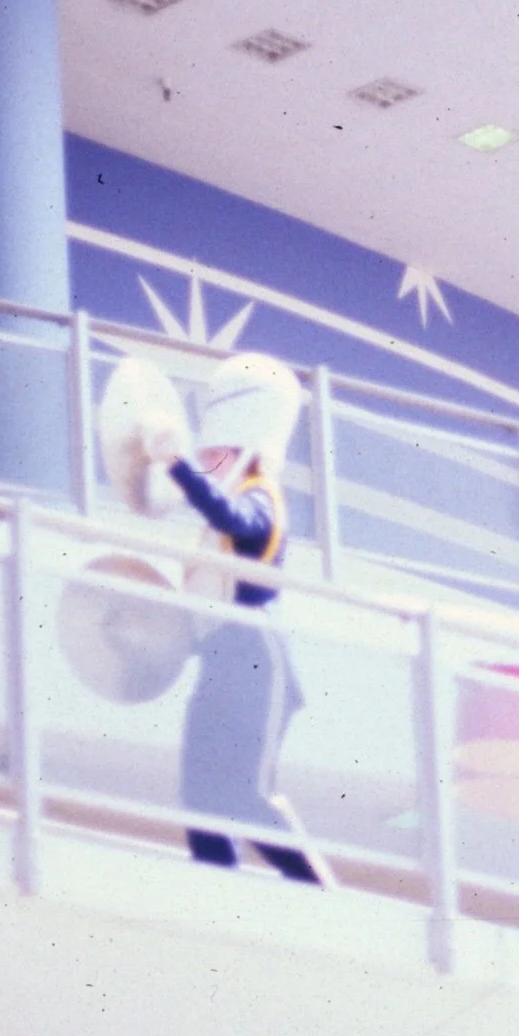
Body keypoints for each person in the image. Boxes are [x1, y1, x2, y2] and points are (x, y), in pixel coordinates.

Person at [129, 352, 324, 884]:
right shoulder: (221, 518)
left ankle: (321, 890)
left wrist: (178, 468)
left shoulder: (263, 498)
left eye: (217, 449)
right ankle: (216, 886)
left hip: (258, 663)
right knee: (199, 791)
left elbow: (233, 519)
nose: (207, 454)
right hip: (220, 664)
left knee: (246, 793)